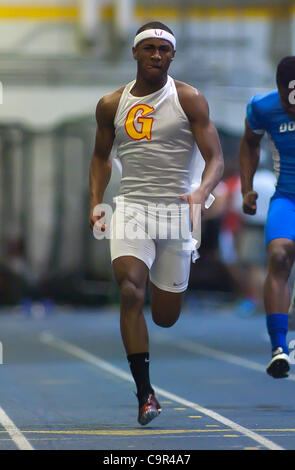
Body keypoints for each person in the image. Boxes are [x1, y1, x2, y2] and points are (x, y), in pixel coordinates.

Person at [89, 21, 224, 425]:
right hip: (131, 207)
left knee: (165, 315)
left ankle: (162, 300)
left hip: (178, 211)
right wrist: (97, 201)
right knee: (130, 290)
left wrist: (201, 192)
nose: (156, 56)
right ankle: (145, 394)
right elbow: (99, 157)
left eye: (164, 51)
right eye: (149, 48)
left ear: (173, 56)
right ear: (135, 52)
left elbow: (216, 159)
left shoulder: (189, 99)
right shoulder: (111, 104)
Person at [239, 56, 295, 379]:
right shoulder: (263, 107)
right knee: (277, 255)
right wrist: (247, 188)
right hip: (287, 197)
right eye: (289, 105)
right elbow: (249, 142)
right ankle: (278, 348)